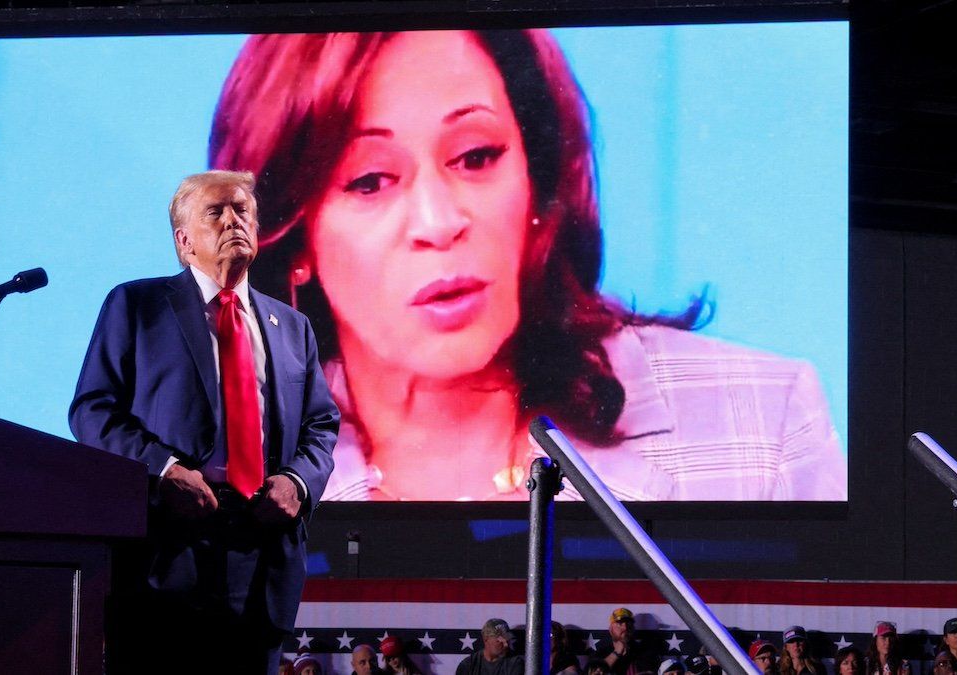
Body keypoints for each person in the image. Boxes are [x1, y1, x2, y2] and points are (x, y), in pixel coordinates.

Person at [205, 29, 846, 502]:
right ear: (295, 241)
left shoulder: (762, 418)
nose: (439, 221)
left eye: (477, 156)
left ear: (535, 181)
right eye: (371, 180)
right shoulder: (236, 460)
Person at [69, 170, 340, 673]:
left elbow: (320, 424)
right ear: (184, 240)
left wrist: (298, 483)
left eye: (243, 210)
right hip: (167, 550)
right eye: (216, 212)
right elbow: (93, 410)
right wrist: (163, 470)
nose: (234, 221)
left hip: (263, 554)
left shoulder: (292, 327)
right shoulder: (138, 305)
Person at [597, 608, 656, 675]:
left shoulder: (644, 652)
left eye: (628, 623)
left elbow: (650, 671)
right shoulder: (601, 653)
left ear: (633, 628)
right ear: (611, 629)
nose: (625, 628)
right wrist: (616, 653)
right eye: (620, 623)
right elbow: (594, 672)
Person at [456, 618, 525, 675]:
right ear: (486, 639)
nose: (506, 645)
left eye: (507, 641)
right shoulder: (469, 665)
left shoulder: (515, 663)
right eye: (499, 641)